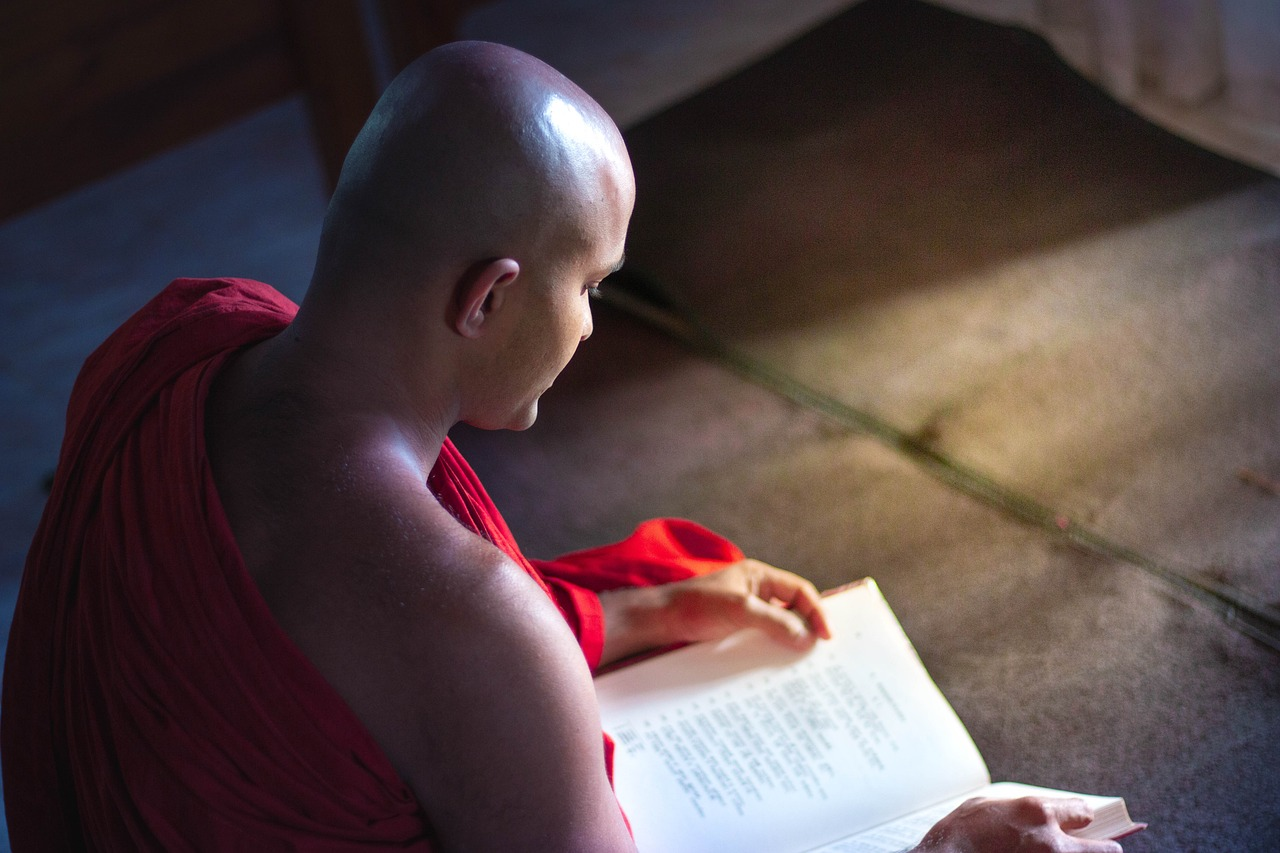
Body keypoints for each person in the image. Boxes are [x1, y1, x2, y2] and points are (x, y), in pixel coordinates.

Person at [1, 41, 1123, 852]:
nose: (588, 324)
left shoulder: (178, 335)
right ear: (488, 298)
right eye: (588, 285)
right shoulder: (473, 624)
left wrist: (637, 613)